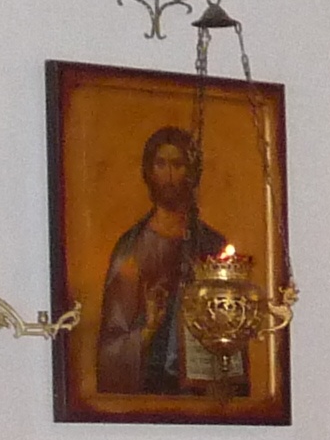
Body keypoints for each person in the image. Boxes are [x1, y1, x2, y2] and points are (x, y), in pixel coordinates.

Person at [94, 126, 238, 397]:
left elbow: (233, 329)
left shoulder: (212, 245)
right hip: (151, 390)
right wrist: (148, 330)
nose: (169, 175)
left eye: (178, 164)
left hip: (203, 391)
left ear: (192, 173)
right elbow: (111, 349)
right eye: (161, 164)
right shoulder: (132, 249)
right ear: (148, 171)